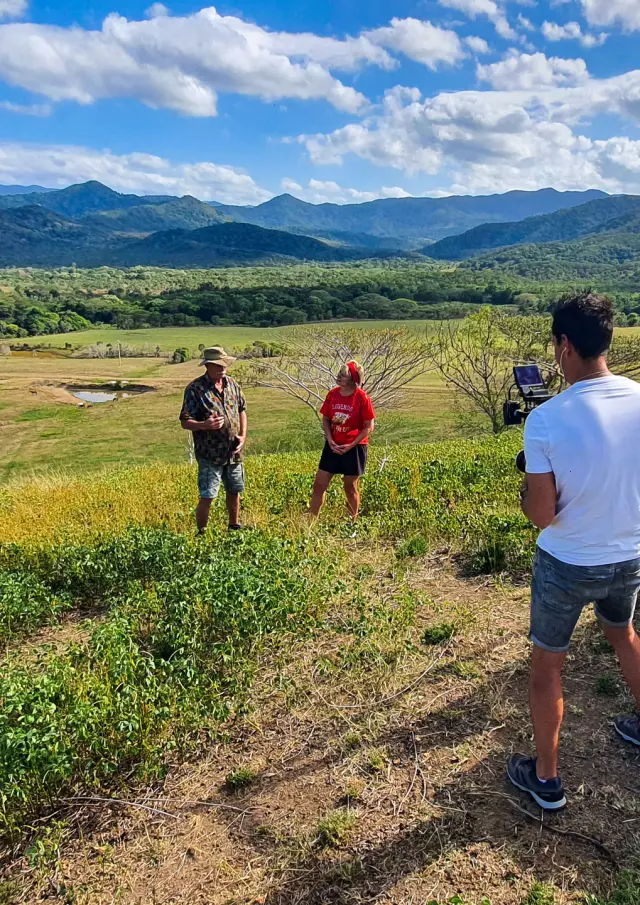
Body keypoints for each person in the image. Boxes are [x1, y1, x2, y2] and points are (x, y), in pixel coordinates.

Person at [507, 291, 640, 811]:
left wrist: (527, 484)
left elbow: (543, 515)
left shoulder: (546, 420)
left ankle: (546, 779)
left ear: (563, 346)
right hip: (630, 554)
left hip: (567, 562)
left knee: (548, 665)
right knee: (624, 634)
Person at [180, 346, 247, 533]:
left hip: (233, 451)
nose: (223, 368)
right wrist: (204, 425)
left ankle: (234, 527)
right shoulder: (195, 389)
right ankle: (202, 533)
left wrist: (243, 435)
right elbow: (185, 421)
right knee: (208, 494)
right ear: (207, 366)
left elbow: (242, 410)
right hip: (210, 453)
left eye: (225, 364)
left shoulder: (232, 384)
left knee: (234, 490)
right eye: (218, 365)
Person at [309, 360, 375, 520]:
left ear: (352, 379)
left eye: (343, 375)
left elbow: (369, 426)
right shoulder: (332, 394)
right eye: (339, 373)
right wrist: (330, 440)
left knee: (350, 486)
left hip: (354, 448)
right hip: (333, 446)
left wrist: (351, 445)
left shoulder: (362, 398)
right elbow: (326, 419)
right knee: (319, 484)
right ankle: (311, 522)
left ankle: (352, 521)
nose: (338, 376)